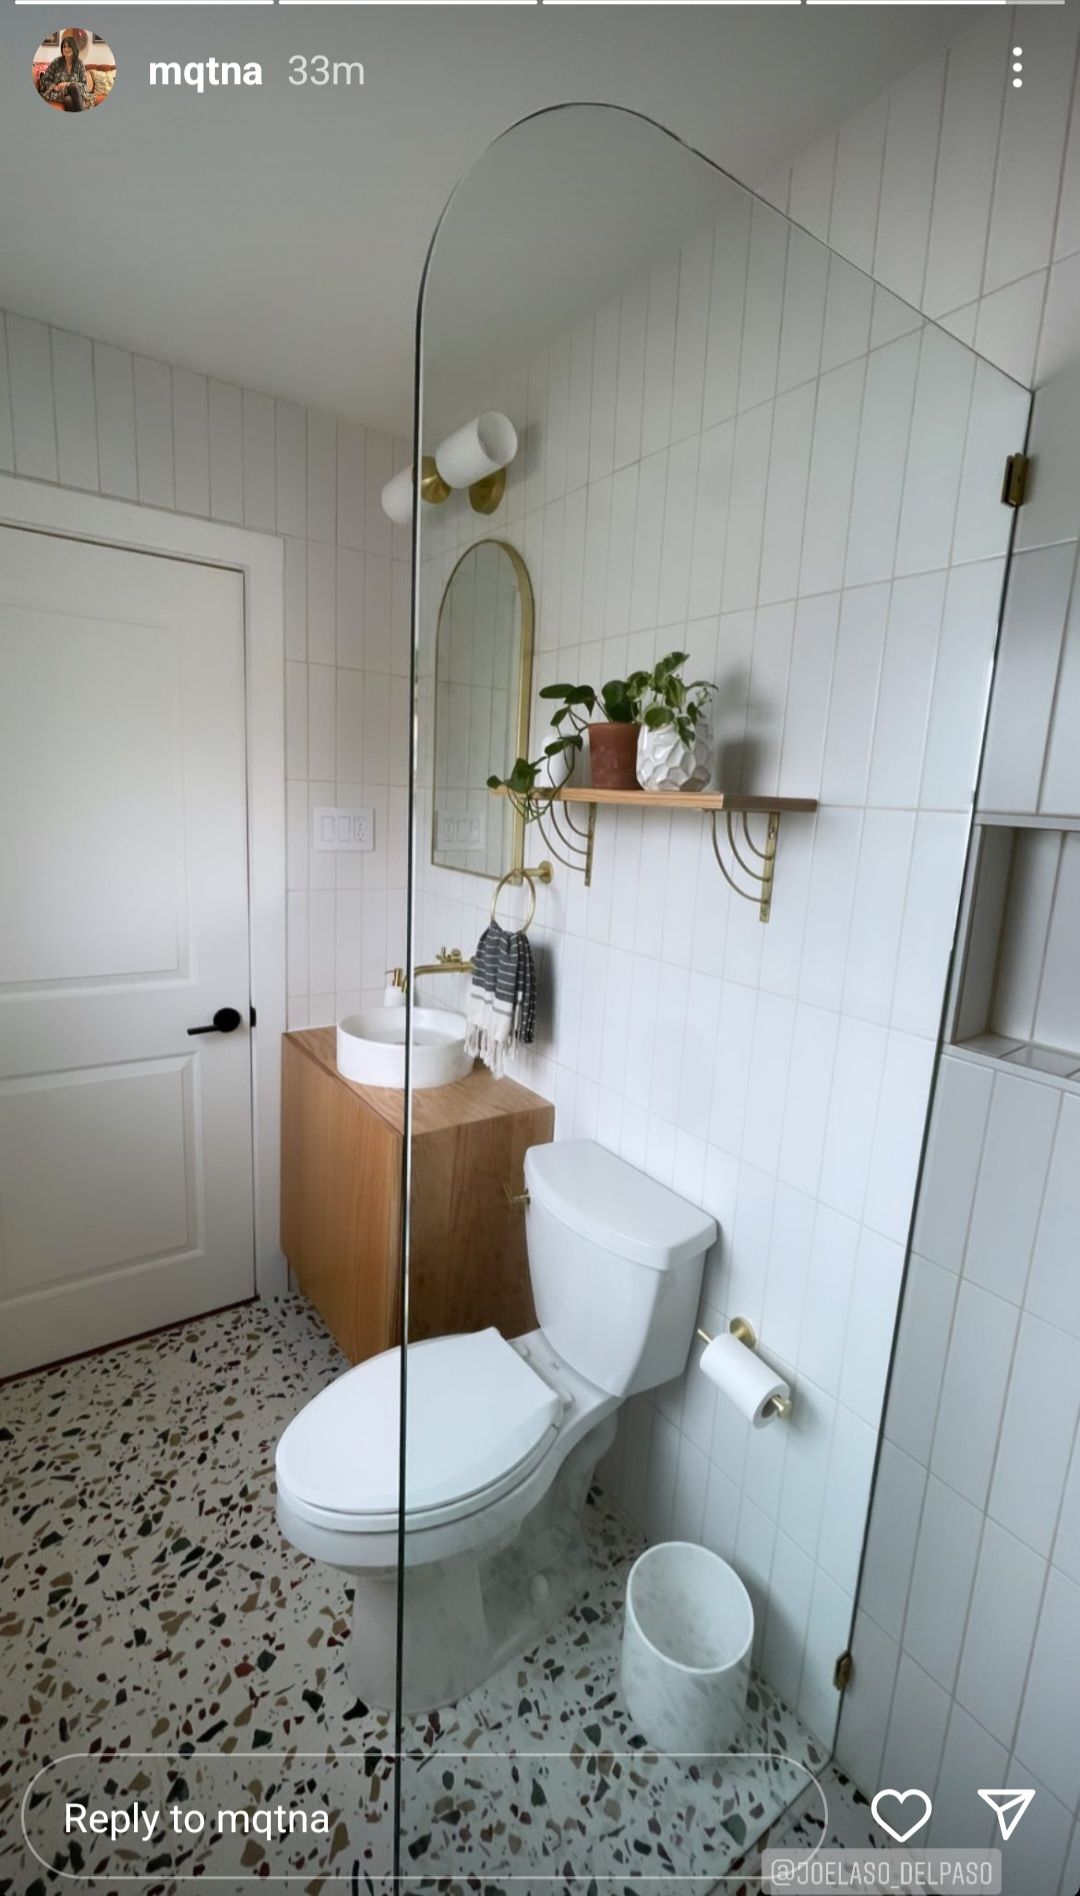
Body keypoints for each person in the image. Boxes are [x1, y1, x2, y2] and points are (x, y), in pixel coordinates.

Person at [37, 29, 94, 112]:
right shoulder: (56, 62)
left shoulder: (79, 63)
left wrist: (67, 84)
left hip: (75, 95)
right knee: (70, 91)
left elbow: (84, 86)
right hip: (59, 94)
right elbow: (44, 81)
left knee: (69, 98)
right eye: (64, 46)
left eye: (69, 46)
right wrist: (55, 86)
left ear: (74, 48)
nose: (66, 49)